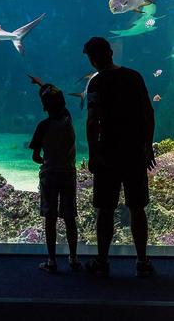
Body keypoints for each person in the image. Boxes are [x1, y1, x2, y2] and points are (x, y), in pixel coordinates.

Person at [83, 37, 156, 278]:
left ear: (93, 59)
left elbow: (93, 121)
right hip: (134, 150)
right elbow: (148, 112)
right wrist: (148, 146)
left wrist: (93, 154)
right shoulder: (134, 77)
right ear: (111, 52)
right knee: (137, 208)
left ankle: (102, 261)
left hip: (107, 153)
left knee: (105, 209)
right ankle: (142, 261)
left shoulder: (96, 83)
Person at [29, 75, 82, 273]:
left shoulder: (42, 126)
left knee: (50, 218)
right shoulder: (68, 120)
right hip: (68, 174)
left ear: (44, 106)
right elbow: (57, 100)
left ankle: (51, 261)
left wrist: (45, 160)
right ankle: (74, 258)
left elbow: (36, 156)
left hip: (50, 175)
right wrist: (43, 85)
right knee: (69, 217)